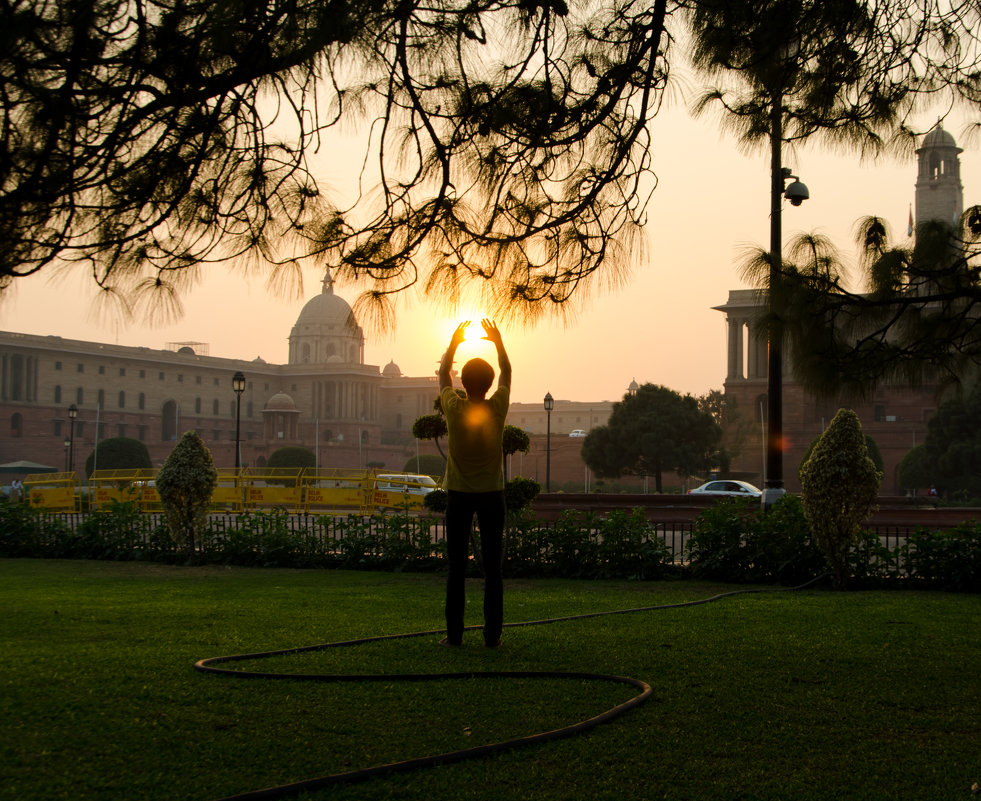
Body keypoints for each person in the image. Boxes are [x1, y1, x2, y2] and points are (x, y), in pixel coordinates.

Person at [438, 319, 511, 648]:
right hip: (492, 495)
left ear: (463, 384)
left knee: (456, 568)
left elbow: (442, 376)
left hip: (459, 495)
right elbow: (507, 371)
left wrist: (454, 344)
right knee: (492, 569)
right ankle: (492, 636)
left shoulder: (453, 409)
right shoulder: (497, 408)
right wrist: (498, 343)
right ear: (490, 383)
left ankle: (454, 635)